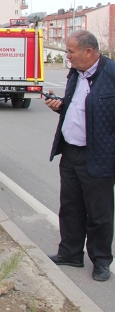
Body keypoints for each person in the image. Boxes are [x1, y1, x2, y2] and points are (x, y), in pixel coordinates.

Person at [45, 30, 115, 282]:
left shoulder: (111, 74)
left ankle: (101, 261)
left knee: (99, 213)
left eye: (71, 51)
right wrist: (60, 105)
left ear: (88, 51)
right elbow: (76, 107)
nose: (68, 57)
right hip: (71, 152)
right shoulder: (76, 73)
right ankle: (71, 253)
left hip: (99, 156)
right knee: (71, 207)